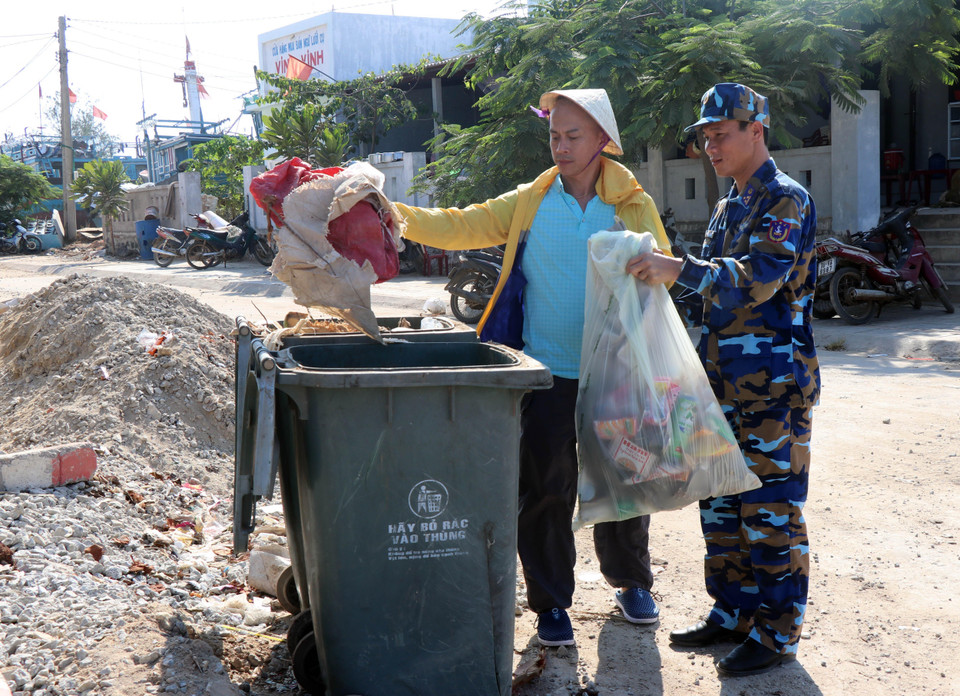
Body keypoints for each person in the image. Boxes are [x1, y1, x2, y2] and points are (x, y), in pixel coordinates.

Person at [395, 89, 672, 647]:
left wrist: (658, 271)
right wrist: (390, 213)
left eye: (574, 136)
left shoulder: (631, 204)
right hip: (545, 372)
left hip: (615, 370)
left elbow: (658, 279)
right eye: (554, 136)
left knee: (625, 482)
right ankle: (550, 602)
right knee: (546, 488)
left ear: (602, 141)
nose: (561, 147)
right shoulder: (532, 199)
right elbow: (461, 225)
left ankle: (631, 581)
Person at [627, 82, 820, 676]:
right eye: (705, 136)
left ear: (756, 131)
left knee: (769, 512)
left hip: (771, 389)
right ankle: (733, 613)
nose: (710, 145)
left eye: (721, 134)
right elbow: (707, 300)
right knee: (720, 508)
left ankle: (778, 633)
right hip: (719, 386)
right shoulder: (727, 205)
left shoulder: (786, 199)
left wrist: (677, 268)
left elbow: (755, 278)